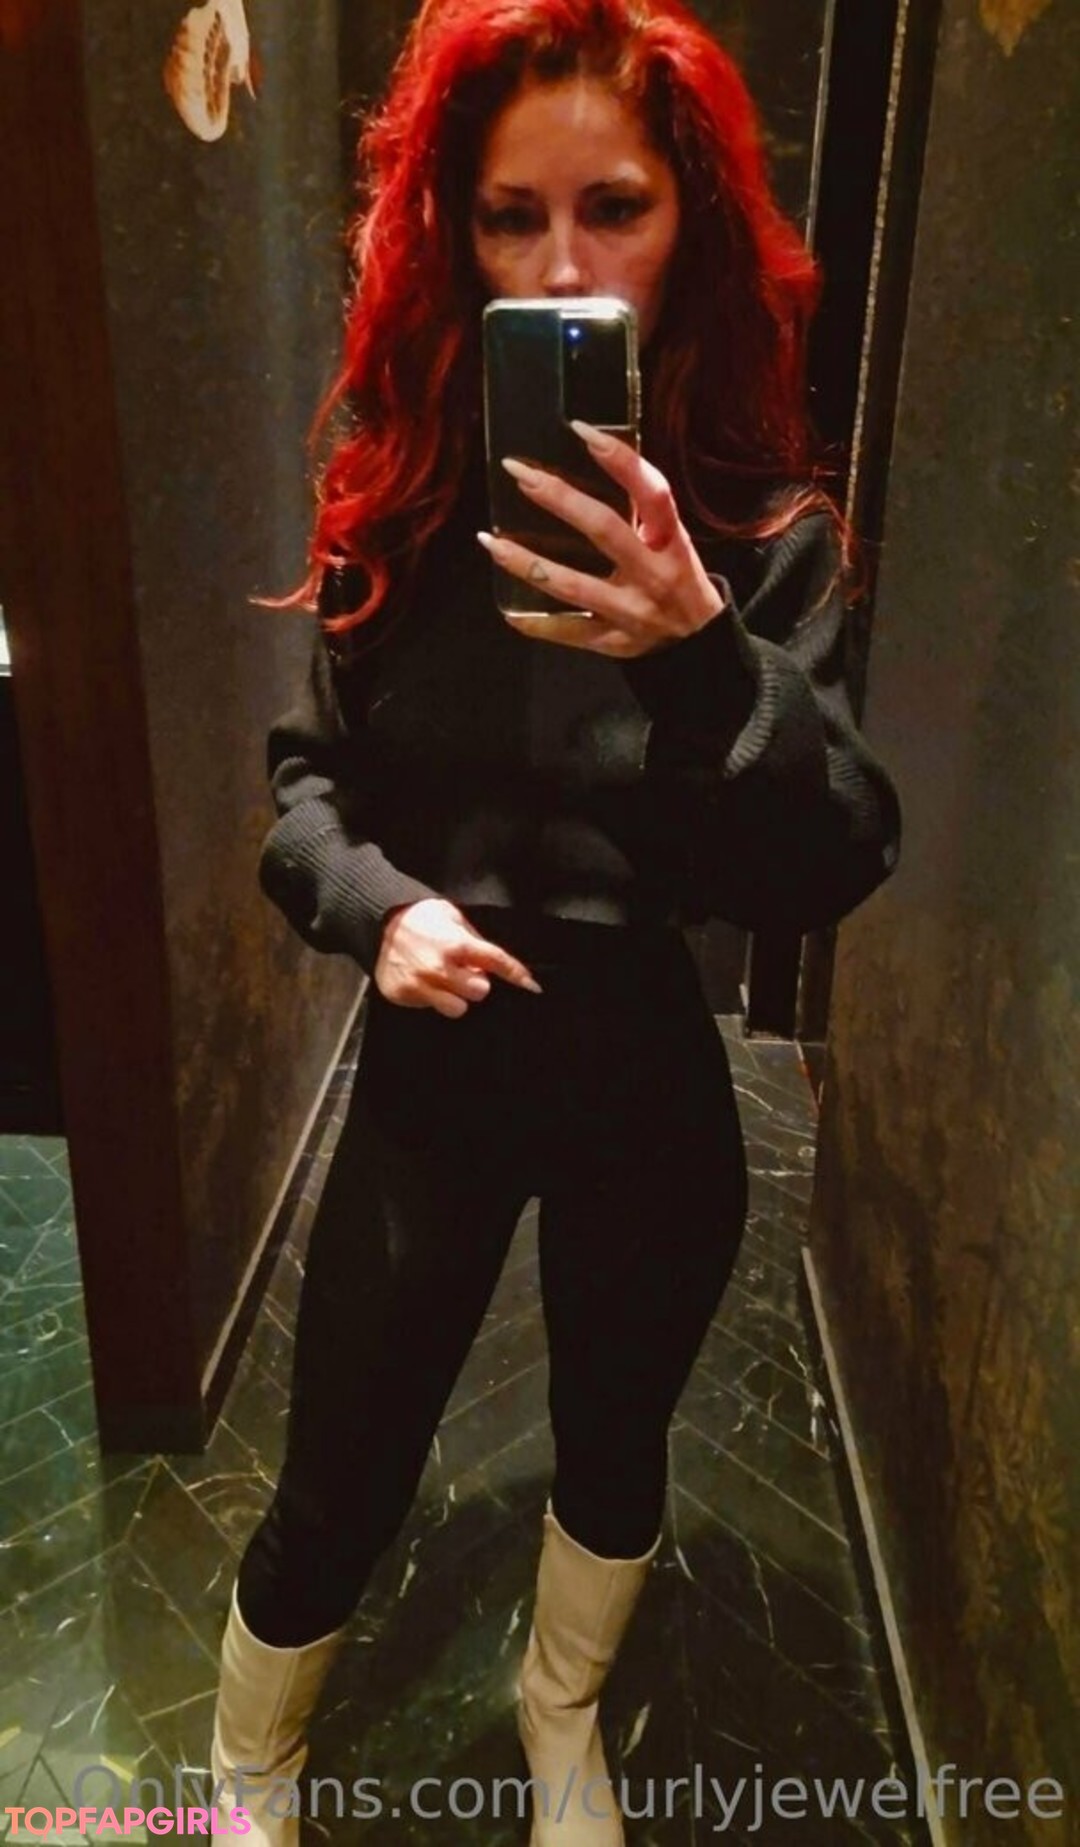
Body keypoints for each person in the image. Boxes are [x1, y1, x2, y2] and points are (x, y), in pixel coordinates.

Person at [209, 1, 902, 1842]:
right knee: (342, 1458)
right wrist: (379, 912)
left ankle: (560, 1714)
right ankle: (246, 1764)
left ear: (696, 224)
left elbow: (833, 859)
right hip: (432, 1066)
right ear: (453, 226)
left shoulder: (755, 533)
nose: (566, 268)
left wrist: (698, 649)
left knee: (615, 1441)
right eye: (513, 216)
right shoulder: (405, 482)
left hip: (640, 1070)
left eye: (617, 208)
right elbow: (303, 793)